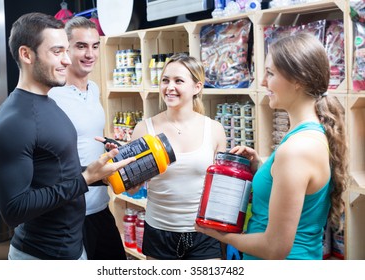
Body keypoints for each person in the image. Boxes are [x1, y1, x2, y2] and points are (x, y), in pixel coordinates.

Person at [0, 12, 135, 260]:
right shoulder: (13, 121)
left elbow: (56, 171)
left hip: (72, 248)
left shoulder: (46, 102)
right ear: (26, 54)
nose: (67, 61)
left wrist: (104, 174)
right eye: (58, 51)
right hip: (41, 257)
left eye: (67, 51)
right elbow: (14, 209)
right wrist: (86, 178)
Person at [195, 32, 349, 260]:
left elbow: (275, 248)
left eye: (270, 73)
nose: (263, 82)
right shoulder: (308, 134)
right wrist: (263, 167)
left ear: (299, 79)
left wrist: (218, 234)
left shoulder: (297, 149)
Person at [130, 53, 227, 259]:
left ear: (197, 87)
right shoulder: (144, 129)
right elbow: (133, 186)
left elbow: (221, 188)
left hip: (204, 232)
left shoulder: (214, 129)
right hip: (159, 231)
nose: (169, 87)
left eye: (178, 81)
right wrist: (124, 176)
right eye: (165, 80)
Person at [48, 16, 126, 260]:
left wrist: (109, 145)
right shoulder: (52, 96)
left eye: (94, 46)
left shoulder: (94, 89)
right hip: (69, 212)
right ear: (66, 48)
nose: (89, 53)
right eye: (81, 46)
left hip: (100, 206)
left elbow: (87, 136)